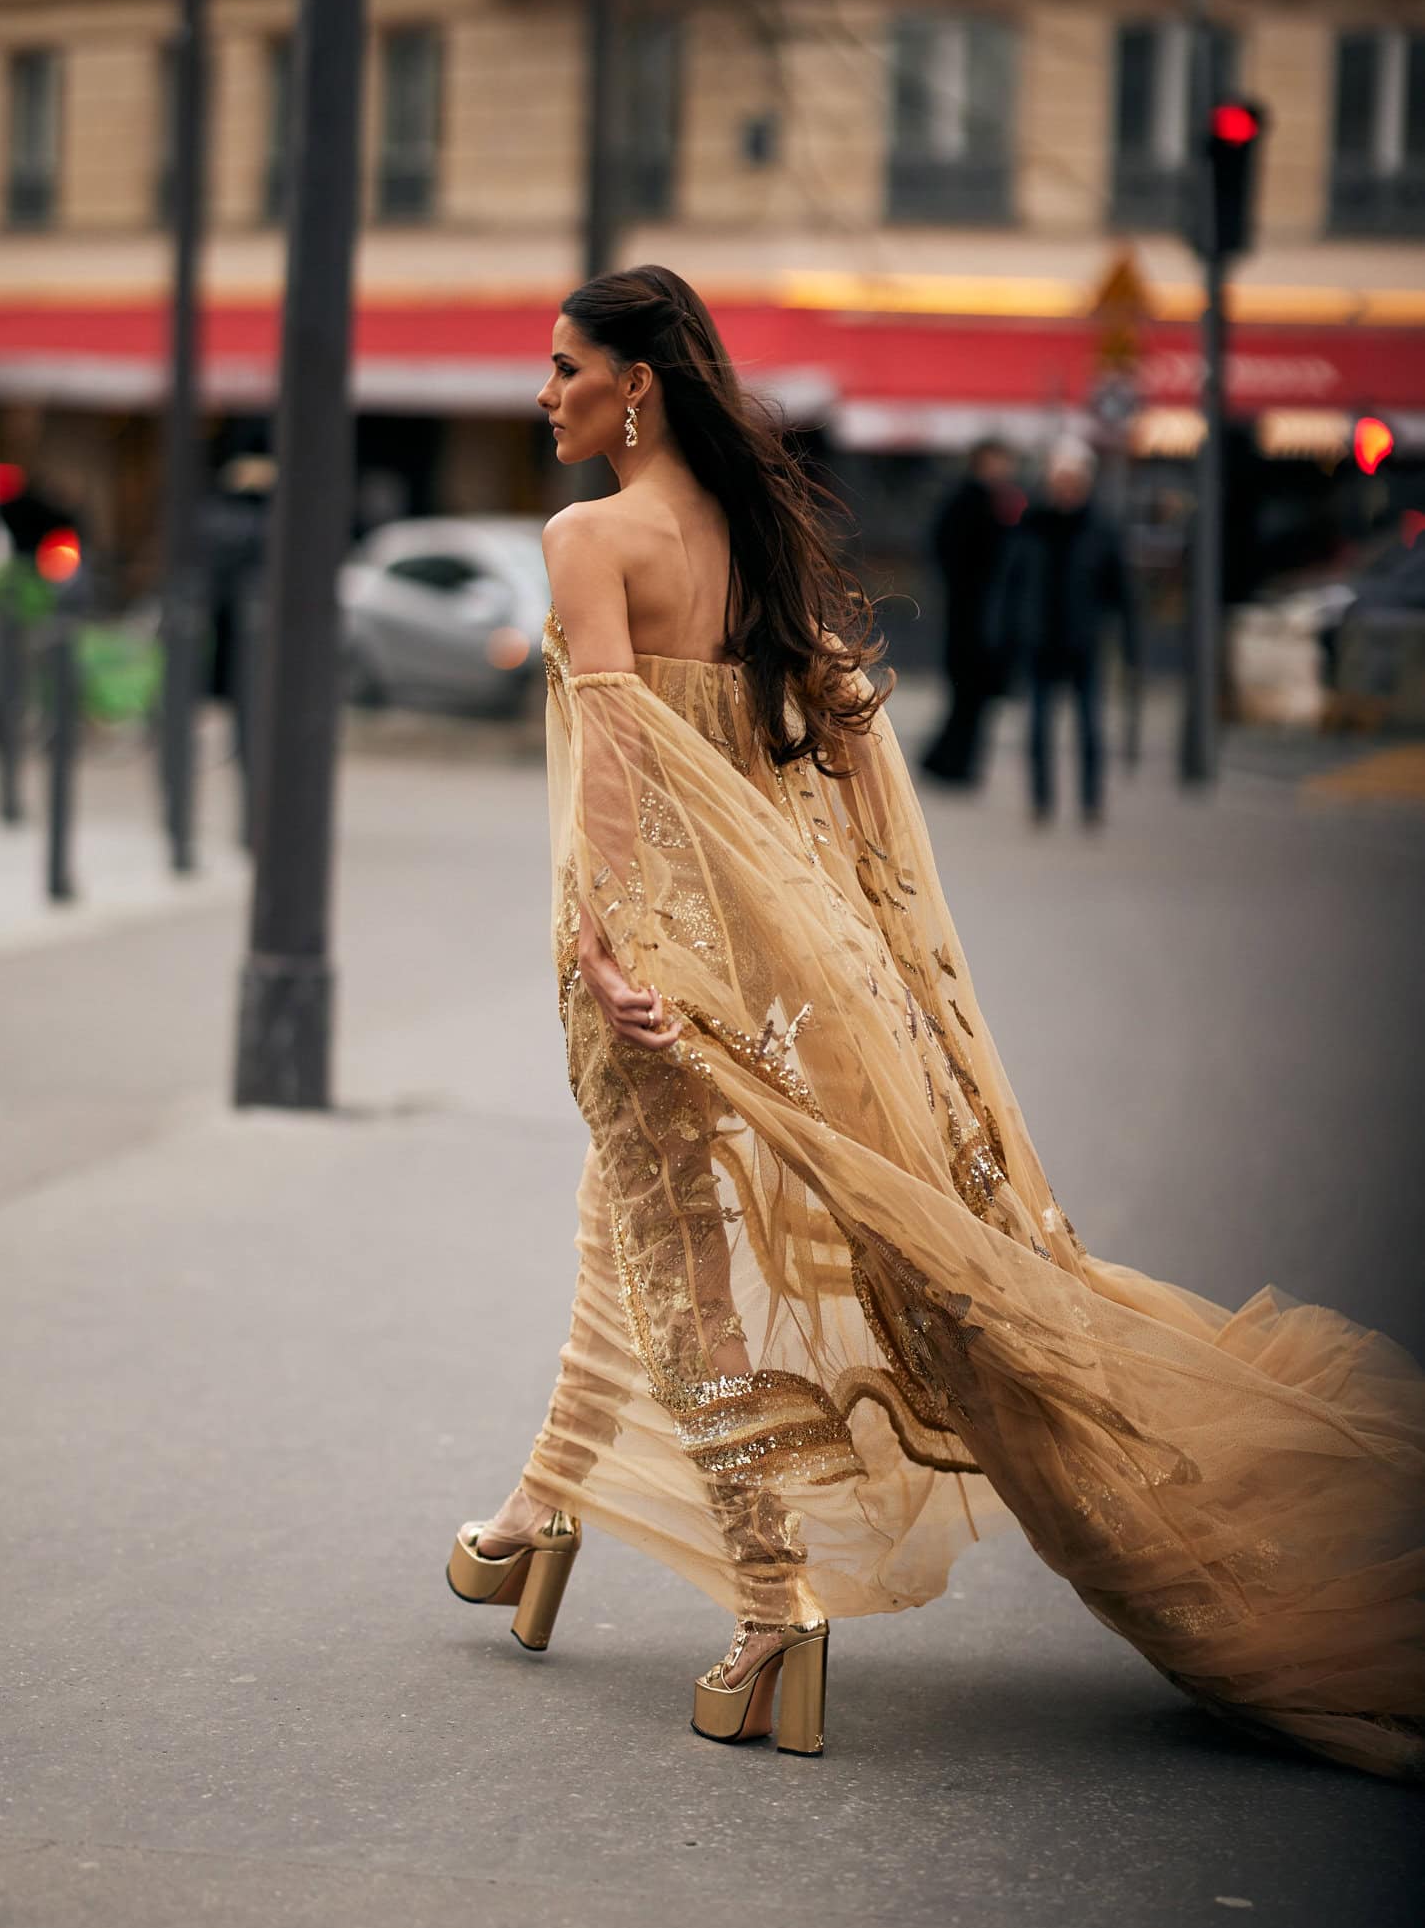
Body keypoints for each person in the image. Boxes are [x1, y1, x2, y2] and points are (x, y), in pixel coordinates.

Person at [446, 264, 1425, 1779]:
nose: (543, 390)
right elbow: (823, 769)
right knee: (625, 1226)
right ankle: (532, 1524)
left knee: (680, 1266)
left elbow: (617, 770)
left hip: (653, 965)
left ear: (632, 384)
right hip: (774, 963)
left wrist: (608, 945)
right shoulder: (748, 540)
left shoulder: (588, 538)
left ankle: (774, 1609)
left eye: (562, 365)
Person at [986, 436, 1139, 827]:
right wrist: (1000, 634)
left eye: (1073, 479)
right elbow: (1009, 582)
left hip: (1083, 641)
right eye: (1061, 478)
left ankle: (1090, 802)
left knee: (1090, 728)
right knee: (1037, 728)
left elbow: (1121, 590)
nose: (1066, 486)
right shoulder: (1032, 526)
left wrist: (1130, 641)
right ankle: (1041, 801)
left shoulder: (1100, 529)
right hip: (1039, 640)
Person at [919, 438, 1019, 789]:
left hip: (976, 616)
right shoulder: (974, 504)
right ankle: (952, 763)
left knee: (970, 698)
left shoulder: (993, 502)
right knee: (968, 697)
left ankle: (950, 761)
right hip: (973, 618)